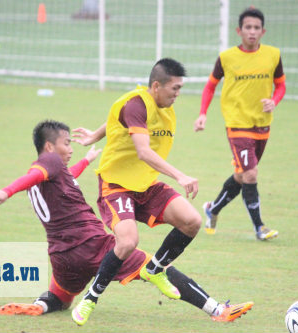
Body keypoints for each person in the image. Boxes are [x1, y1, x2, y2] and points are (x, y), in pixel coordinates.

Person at [0, 120, 253, 325]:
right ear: (50, 146)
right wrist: (7, 191)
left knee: (61, 299)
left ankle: (41, 305)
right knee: (156, 268)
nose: (71, 150)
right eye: (67, 144)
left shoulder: (53, 175)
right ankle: (218, 310)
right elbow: (33, 173)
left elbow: (64, 177)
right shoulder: (47, 163)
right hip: (92, 245)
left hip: (61, 256)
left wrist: (87, 162)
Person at [71, 58, 208, 325]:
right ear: (156, 86)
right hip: (116, 186)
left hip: (145, 185)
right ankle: (90, 298)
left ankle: (155, 269)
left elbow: (117, 119)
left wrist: (94, 136)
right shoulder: (136, 103)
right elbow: (143, 150)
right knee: (127, 241)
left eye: (180, 89)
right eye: (175, 89)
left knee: (192, 221)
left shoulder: (163, 108)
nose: (178, 95)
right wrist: (180, 175)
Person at [193, 7, 286, 241]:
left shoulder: (273, 55)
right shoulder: (226, 58)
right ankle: (259, 228)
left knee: (242, 176)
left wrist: (274, 101)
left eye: (256, 28)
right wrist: (203, 113)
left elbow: (281, 85)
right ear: (239, 30)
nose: (252, 32)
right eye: (248, 28)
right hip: (236, 124)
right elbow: (210, 86)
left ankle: (212, 209)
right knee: (251, 174)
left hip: (262, 125)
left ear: (263, 31)